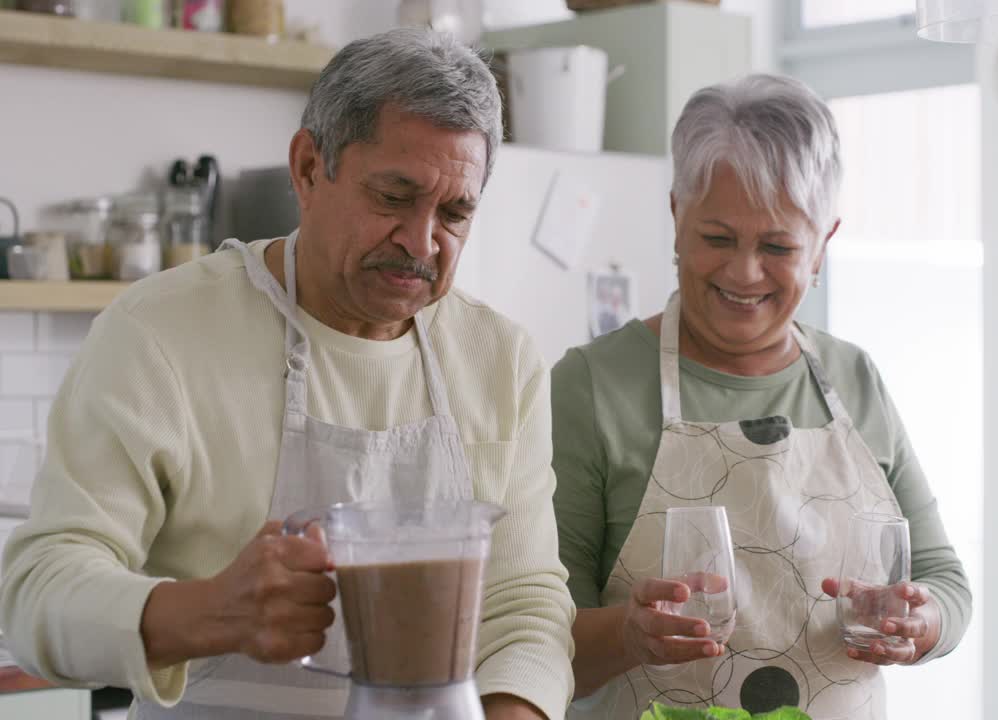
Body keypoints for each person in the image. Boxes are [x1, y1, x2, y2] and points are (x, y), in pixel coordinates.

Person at [0, 29, 573, 719]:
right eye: (394, 196)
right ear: (308, 168)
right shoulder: (160, 333)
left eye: (454, 213)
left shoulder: (500, 360)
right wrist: (210, 610)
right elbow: (38, 590)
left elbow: (525, 604)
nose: (422, 242)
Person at [551, 74, 972, 718]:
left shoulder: (855, 378)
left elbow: (944, 578)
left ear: (823, 246)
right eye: (717, 239)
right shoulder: (592, 386)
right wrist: (629, 635)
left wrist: (921, 621)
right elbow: (540, 639)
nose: (744, 273)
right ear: (675, 217)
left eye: (778, 246)